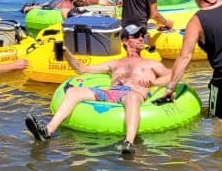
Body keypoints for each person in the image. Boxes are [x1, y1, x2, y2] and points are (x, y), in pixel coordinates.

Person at [24, 22, 171, 155]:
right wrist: (67, 54)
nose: (141, 38)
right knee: (73, 91)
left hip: (133, 94)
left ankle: (129, 143)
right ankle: (48, 131)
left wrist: (154, 82)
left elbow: (172, 76)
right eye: (137, 36)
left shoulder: (151, 63)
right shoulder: (114, 63)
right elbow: (83, 69)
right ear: (125, 41)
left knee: (132, 96)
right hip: (111, 93)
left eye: (142, 35)